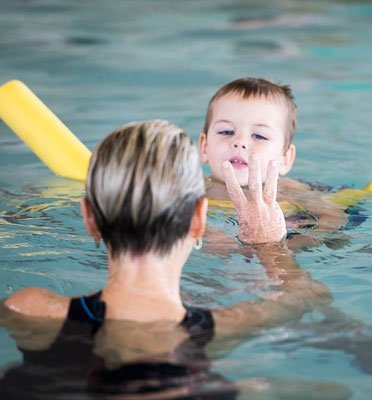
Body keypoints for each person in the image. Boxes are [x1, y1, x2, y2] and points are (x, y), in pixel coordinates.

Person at [0, 119, 329, 398]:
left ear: (89, 218)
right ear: (198, 219)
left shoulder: (30, 310)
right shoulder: (233, 323)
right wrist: (268, 246)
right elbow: (308, 296)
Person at [198, 77, 350, 246]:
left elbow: (334, 217)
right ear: (204, 147)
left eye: (259, 136)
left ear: (285, 158)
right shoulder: (193, 191)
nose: (240, 142)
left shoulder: (289, 190)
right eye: (226, 132)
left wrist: (289, 244)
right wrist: (210, 233)